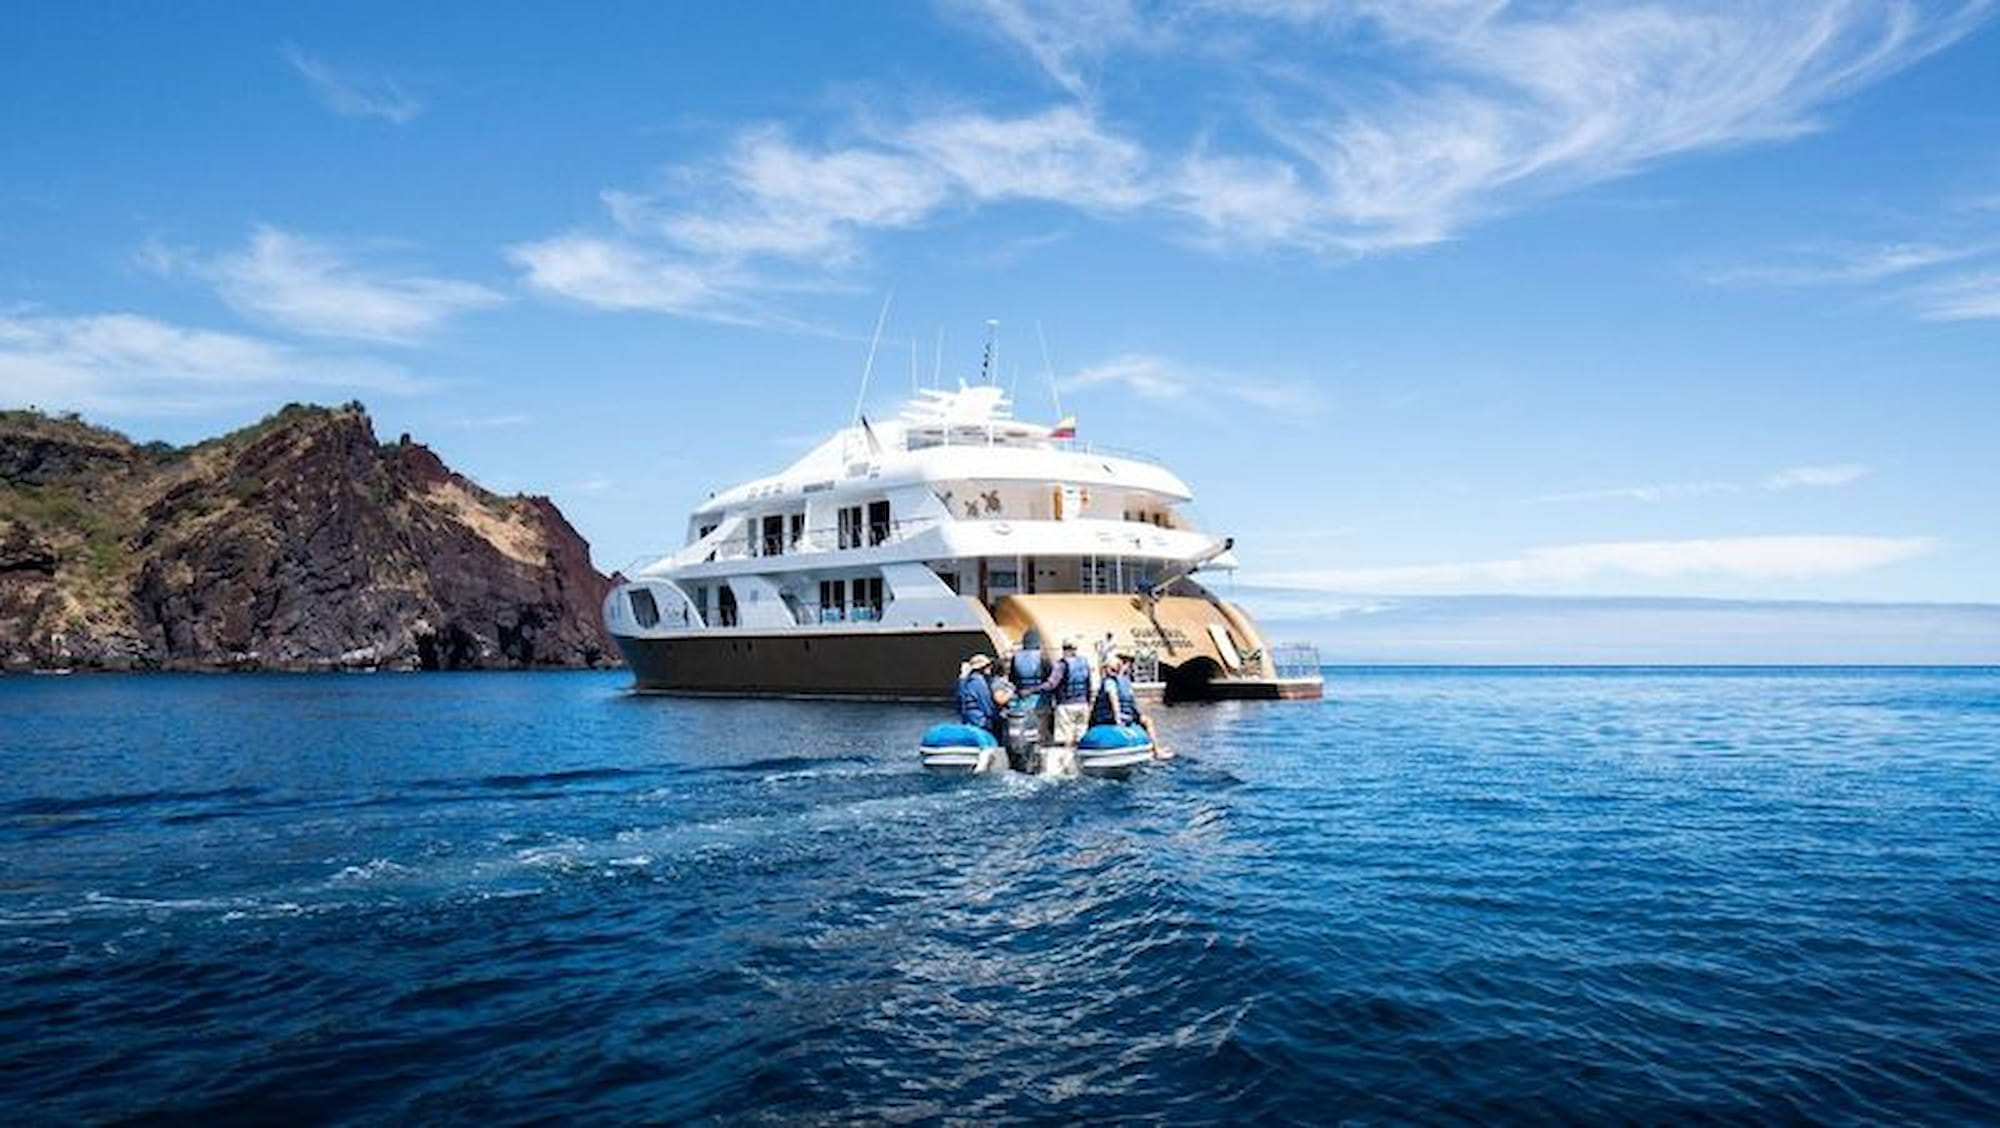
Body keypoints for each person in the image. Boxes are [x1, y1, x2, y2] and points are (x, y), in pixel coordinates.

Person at [1091, 650, 1168, 759]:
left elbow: (1119, 701)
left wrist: (1120, 718)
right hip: (1120, 717)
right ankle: (1156, 750)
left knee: (1147, 720)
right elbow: (1120, 701)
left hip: (1113, 717)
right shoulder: (1120, 682)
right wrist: (1121, 719)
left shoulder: (1113, 681)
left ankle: (1156, 749)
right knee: (1147, 721)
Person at [1035, 637, 1093, 749]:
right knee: (1080, 737)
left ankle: (1066, 762)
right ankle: (1080, 761)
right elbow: (1089, 685)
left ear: (1064, 649)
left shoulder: (1061, 664)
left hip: (1066, 705)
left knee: (1065, 738)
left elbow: (1052, 684)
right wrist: (1088, 703)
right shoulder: (1084, 663)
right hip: (1082, 705)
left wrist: (1033, 689)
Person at [956, 653, 1006, 772]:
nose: (990, 668)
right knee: (1001, 725)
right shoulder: (979, 682)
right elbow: (987, 707)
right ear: (982, 668)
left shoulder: (964, 682)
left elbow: (959, 705)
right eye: (988, 666)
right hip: (980, 721)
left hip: (968, 720)